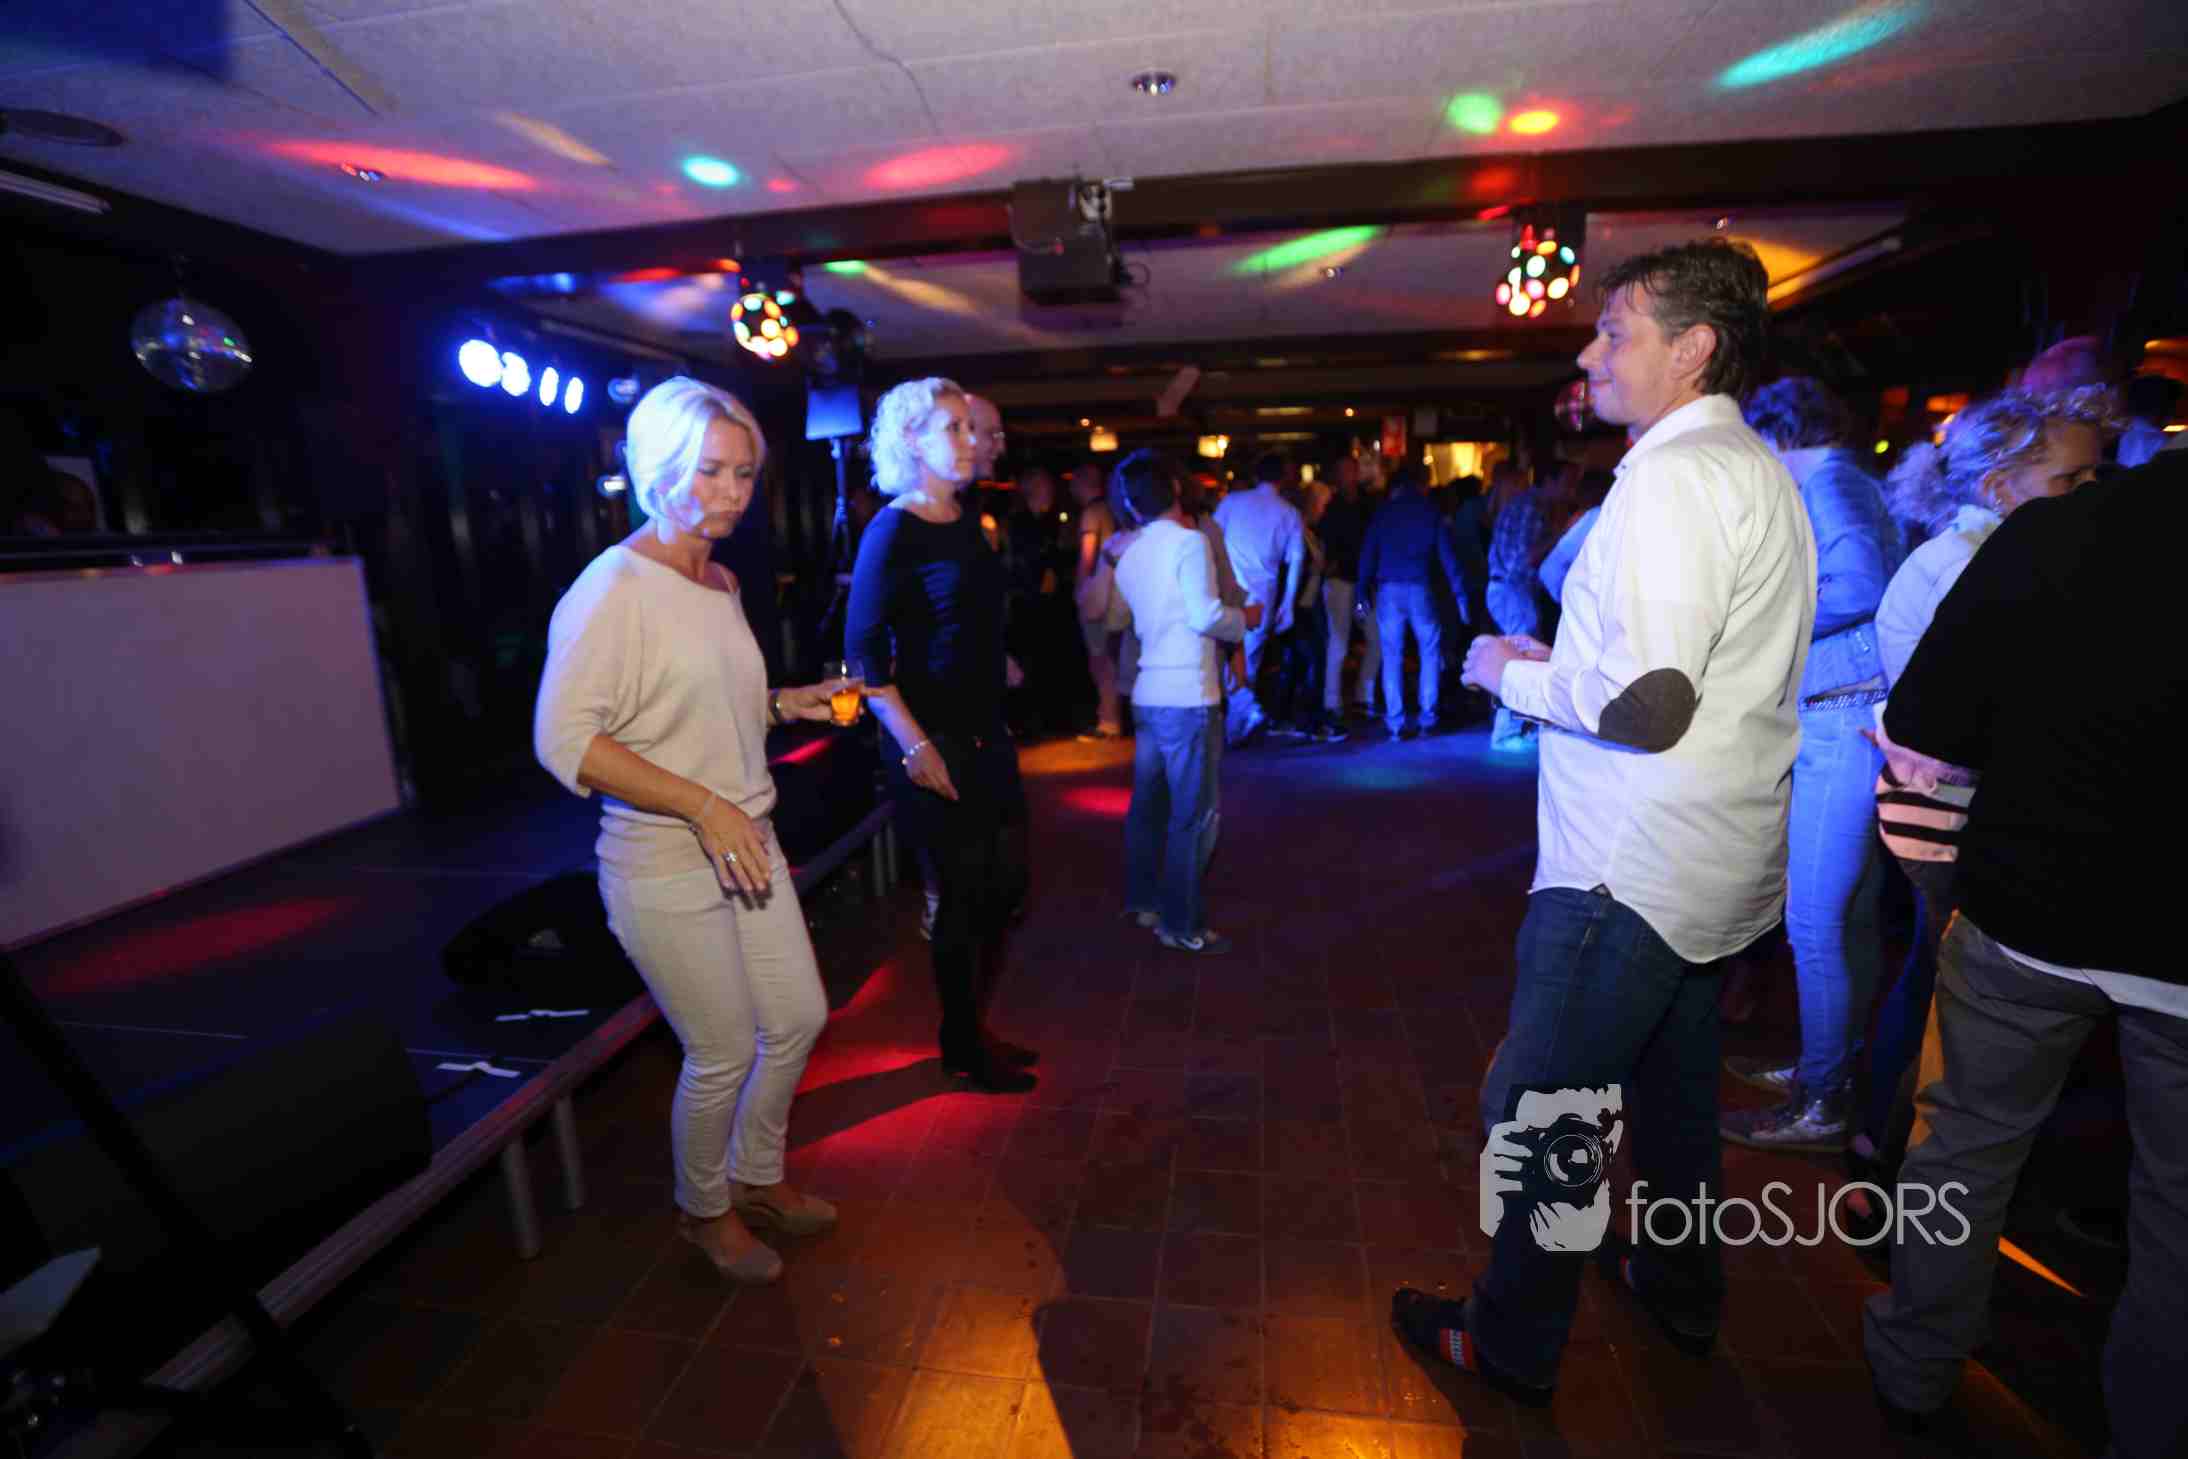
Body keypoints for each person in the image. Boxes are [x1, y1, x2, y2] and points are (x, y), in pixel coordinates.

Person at [1394, 239, 1814, 1404]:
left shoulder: (1671, 479)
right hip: (1710, 860)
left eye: (1614, 331)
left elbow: (1651, 704)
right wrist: (1566, 654)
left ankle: (1509, 1341)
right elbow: (1681, 668)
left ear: (1693, 348)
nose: (1588, 354)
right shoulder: (1750, 465)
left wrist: (1511, 674)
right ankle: (1679, 1283)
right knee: (1675, 1106)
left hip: (1625, 869)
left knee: (1537, 1111)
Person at [1862, 448, 2188, 1459]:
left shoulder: (2058, 532)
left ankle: (1913, 1363)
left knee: (1964, 1143)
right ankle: (2152, 1424)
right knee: (2177, 1205)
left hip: (2028, 907)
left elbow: (1925, 721)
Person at [534, 378, 845, 1285]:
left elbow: (706, 703)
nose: (732, 491)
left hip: (747, 839)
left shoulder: (720, 579)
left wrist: (785, 702)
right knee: (723, 1049)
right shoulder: (613, 587)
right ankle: (703, 1210)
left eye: (744, 473)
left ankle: (757, 1176)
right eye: (710, 470)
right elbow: (563, 740)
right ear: (658, 466)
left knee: (797, 1016)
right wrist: (703, 805)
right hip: (664, 857)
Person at [1844, 387, 2114, 1190]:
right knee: (1946, 992)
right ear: (1999, 484)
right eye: (2069, 479)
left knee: (1932, 979)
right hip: (1943, 808)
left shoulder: (1988, 551)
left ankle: (1882, 1142)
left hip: (1948, 801)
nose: (2089, 492)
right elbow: (1980, 703)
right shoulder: (1969, 563)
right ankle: (1891, 1158)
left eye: (2096, 476)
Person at [1719, 377, 1903, 1152]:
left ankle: (1823, 1098)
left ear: (1778, 433)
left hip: (1839, 718)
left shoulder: (1829, 481)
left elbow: (1859, 584)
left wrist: (1764, 624)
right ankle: (1830, 1069)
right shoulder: (1846, 480)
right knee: (1848, 917)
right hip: (1849, 715)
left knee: (1815, 923)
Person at [845, 378, 1038, 1095]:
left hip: (985, 728)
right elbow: (862, 656)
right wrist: (915, 746)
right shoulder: (892, 529)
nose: (970, 439)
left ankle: (969, 1028)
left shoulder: (963, 517)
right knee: (964, 893)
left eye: (969, 427)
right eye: (953, 427)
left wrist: (997, 660)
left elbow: (962, 616)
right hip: (931, 737)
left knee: (1005, 885)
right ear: (911, 439)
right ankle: (961, 1044)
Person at [1110, 451, 1259, 955]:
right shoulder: (1190, 542)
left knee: (1148, 807)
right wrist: (1246, 619)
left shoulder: (1130, 554)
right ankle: (1180, 923)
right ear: (1175, 489)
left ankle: (1143, 900)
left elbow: (1125, 621)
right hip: (1188, 694)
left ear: (1131, 505)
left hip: (1148, 692)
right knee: (1193, 816)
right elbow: (1205, 615)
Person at [1357, 463, 1464, 740]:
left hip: (1388, 589)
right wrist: (1460, 597)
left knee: (1391, 654)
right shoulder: (1430, 511)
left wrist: (1361, 594)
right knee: (1429, 650)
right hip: (1419, 586)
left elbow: (1368, 554)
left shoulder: (1383, 512)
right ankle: (1428, 717)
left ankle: (1395, 722)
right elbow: (1448, 557)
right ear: (1419, 485)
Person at [1211, 453, 1307, 746]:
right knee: (1249, 660)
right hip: (1264, 594)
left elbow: (1212, 540)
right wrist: (1288, 604)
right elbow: (1296, 560)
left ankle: (1240, 717)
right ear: (1283, 478)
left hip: (1228, 588)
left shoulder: (1232, 502)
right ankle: (1240, 720)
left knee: (1221, 656)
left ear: (1255, 475)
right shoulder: (1290, 513)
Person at [1483, 462, 1551, 751]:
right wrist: (1557, 537)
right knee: (1520, 658)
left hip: (1502, 588)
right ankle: (1507, 729)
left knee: (1518, 654)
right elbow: (1521, 561)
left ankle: (1515, 726)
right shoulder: (1530, 506)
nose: (1572, 489)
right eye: (1569, 481)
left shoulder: (1515, 505)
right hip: (1512, 590)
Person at [1317, 456, 1377, 721]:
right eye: (1345, 471)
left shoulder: (1365, 504)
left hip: (1359, 582)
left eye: (1352, 470)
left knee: (1374, 638)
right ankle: (1333, 701)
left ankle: (1362, 696)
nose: (1349, 476)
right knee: (1339, 642)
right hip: (1341, 582)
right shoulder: (1335, 507)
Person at [1069, 462, 1125, 737]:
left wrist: (1080, 591)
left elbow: (1087, 557)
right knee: (1113, 656)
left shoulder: (1092, 512)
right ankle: (1114, 717)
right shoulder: (1115, 509)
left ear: (1081, 483)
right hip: (1119, 595)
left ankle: (1108, 720)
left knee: (1100, 659)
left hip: (1098, 595)